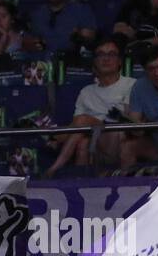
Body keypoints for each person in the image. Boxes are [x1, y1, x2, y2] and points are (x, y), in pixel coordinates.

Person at [47, 37, 135, 175]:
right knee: (82, 142)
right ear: (94, 61)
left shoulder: (132, 85)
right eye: (101, 54)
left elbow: (129, 120)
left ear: (119, 62)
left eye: (111, 54)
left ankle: (54, 164)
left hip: (118, 140)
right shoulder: (86, 92)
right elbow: (76, 127)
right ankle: (80, 184)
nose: (106, 59)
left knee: (83, 121)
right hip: (94, 143)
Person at [27, 0, 96, 54]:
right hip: (42, 64)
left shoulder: (82, 11)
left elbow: (91, 41)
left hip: (72, 63)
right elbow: (28, 43)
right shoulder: (35, 14)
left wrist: (81, 37)